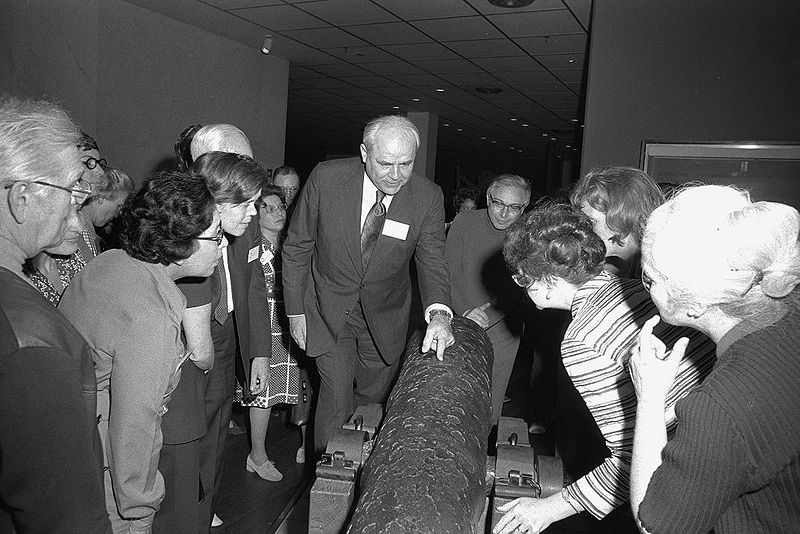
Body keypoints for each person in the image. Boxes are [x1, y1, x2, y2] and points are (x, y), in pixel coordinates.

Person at [494, 203, 716, 534]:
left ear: (545, 280)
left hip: (691, 470)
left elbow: (632, 459)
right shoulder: (630, 288)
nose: (522, 288)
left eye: (521, 278)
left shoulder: (581, 340)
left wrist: (550, 509)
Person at [629, 185, 800, 533]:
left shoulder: (720, 407)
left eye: (649, 278)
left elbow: (655, 526)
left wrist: (649, 399)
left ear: (693, 305)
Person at [60, 171, 222, 533]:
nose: (223, 246)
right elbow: (135, 423)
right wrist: (138, 509)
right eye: (216, 237)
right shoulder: (150, 314)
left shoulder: (111, 260)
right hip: (101, 466)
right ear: (181, 244)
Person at [283, 114, 455, 453]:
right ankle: (329, 484)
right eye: (385, 163)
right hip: (328, 308)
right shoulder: (326, 178)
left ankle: (364, 478)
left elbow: (432, 260)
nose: (395, 175)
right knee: (335, 398)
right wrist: (295, 313)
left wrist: (440, 314)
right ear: (364, 153)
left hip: (385, 317)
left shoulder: (426, 197)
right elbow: (297, 247)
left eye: (405, 164)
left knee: (373, 403)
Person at [0, 96, 110, 533]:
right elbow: (65, 518)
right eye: (72, 190)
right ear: (22, 199)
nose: (78, 209)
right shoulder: (32, 338)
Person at [185, 148, 272, 530]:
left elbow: (252, 289)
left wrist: (260, 354)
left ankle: (204, 507)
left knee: (217, 433)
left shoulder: (241, 225)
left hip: (228, 335)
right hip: (190, 345)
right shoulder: (184, 240)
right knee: (188, 436)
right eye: (248, 204)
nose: (256, 213)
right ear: (217, 198)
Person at [445, 173, 531, 423]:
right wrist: (465, 313)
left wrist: (486, 317)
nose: (504, 213)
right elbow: (446, 273)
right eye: (498, 203)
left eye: (514, 207)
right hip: (458, 318)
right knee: (454, 396)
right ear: (488, 198)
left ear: (524, 208)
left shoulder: (528, 235)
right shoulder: (464, 221)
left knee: (488, 405)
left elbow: (521, 289)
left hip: (503, 329)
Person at [235, 184, 306, 479]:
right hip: (265, 325)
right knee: (262, 391)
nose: (278, 212)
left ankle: (309, 444)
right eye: (268, 207)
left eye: (281, 207)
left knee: (302, 387)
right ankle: (258, 454)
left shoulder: (292, 245)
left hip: (292, 324)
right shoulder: (251, 246)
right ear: (256, 213)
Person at [570, 166, 664, 278]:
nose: (581, 230)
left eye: (590, 222)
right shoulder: (621, 271)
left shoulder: (659, 274)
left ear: (623, 216)